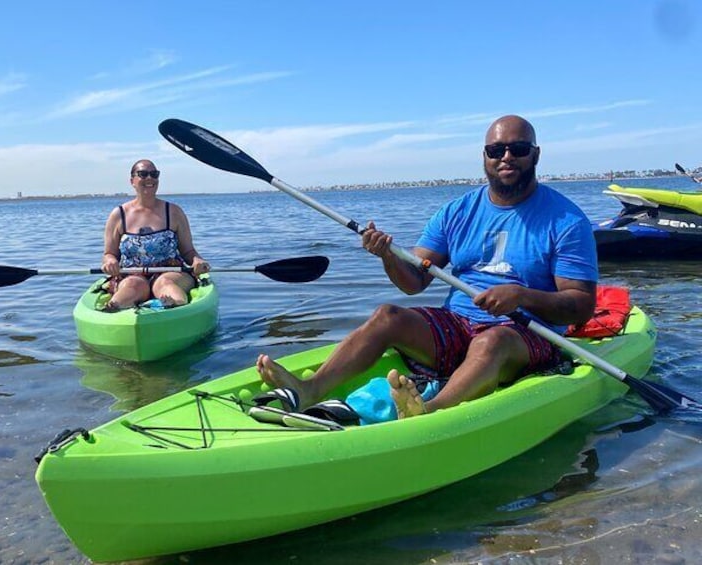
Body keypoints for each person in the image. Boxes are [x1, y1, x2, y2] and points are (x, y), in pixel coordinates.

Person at [256, 115, 598, 419]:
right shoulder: (456, 212)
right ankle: (311, 389)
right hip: (460, 325)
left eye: (518, 149)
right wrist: (388, 257)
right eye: (496, 150)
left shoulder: (566, 220)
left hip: (526, 335)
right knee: (387, 315)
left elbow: (580, 306)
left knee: (492, 342)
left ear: (535, 155)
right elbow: (414, 282)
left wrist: (522, 296)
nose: (506, 157)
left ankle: (428, 414)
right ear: (484, 157)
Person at [100, 159, 210, 311]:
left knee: (164, 283)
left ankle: (175, 304)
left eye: (154, 174)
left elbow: (188, 251)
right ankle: (115, 307)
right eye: (143, 174)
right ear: (132, 180)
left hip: (172, 272)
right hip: (132, 274)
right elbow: (109, 253)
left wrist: (197, 260)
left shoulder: (174, 212)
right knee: (133, 285)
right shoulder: (118, 215)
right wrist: (110, 261)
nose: (149, 178)